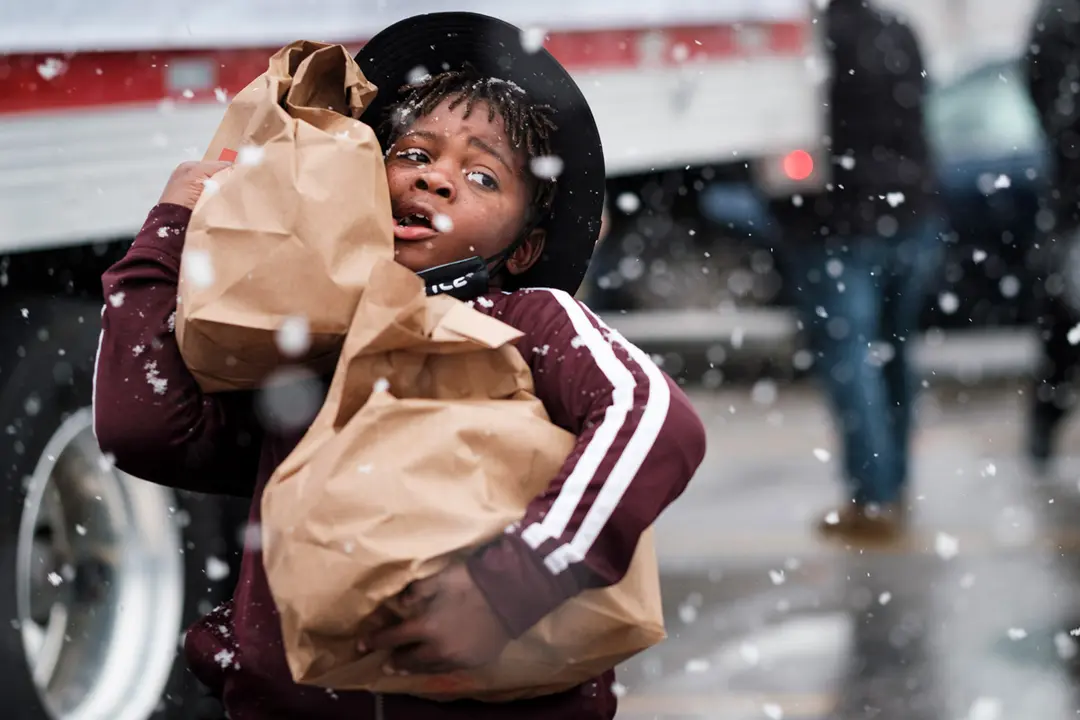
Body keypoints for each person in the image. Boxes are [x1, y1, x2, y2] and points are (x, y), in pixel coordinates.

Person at [91, 12, 707, 720]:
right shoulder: (313, 346)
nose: (437, 180)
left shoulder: (527, 320)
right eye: (413, 155)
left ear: (526, 247)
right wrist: (171, 231)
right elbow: (145, 428)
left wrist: (517, 581)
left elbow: (653, 416)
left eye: (481, 174)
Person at [794, 0, 942, 543]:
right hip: (910, 213)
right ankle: (893, 486)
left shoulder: (813, 39)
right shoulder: (897, 31)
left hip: (841, 222)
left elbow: (795, 140)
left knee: (851, 356)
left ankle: (872, 497)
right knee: (893, 351)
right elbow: (921, 114)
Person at [1024, 0, 1080, 470]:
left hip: (1068, 207)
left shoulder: (1054, 17)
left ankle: (1043, 429)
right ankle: (1043, 429)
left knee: (1061, 332)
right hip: (1070, 208)